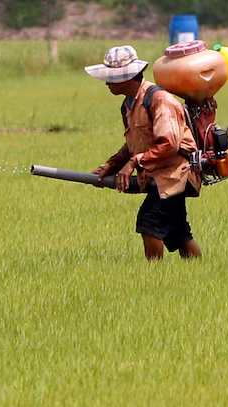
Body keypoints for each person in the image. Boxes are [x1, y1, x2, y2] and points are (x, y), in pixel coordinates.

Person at [86, 45, 202, 260]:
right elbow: (133, 144)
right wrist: (111, 165)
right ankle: (200, 272)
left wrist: (134, 163)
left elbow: (169, 144)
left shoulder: (160, 100)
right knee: (178, 233)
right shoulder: (128, 105)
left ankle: (152, 277)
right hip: (159, 176)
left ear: (129, 77)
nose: (107, 83)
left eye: (112, 77)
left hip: (175, 174)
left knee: (149, 223)